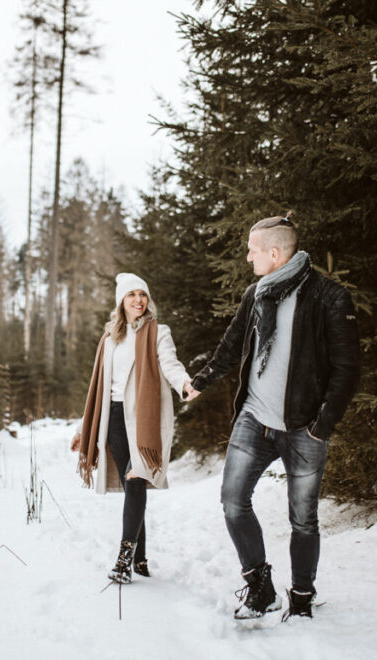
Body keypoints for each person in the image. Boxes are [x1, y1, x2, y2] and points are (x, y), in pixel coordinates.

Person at [185, 212, 360, 620]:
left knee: (303, 519)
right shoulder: (257, 294)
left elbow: (347, 370)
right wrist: (202, 381)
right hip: (254, 420)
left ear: (275, 253)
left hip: (304, 429)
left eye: (253, 251)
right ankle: (260, 588)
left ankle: (301, 597)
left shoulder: (329, 297)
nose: (249, 258)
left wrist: (322, 427)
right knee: (232, 502)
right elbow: (232, 346)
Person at [71, 273, 194, 584]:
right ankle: (140, 560)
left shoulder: (158, 333)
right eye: (132, 295)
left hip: (144, 418)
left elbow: (169, 363)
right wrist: (83, 430)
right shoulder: (110, 339)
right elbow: (97, 388)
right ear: (121, 302)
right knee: (132, 488)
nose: (139, 300)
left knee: (136, 476)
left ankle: (124, 559)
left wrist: (184, 383)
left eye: (143, 294)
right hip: (113, 418)